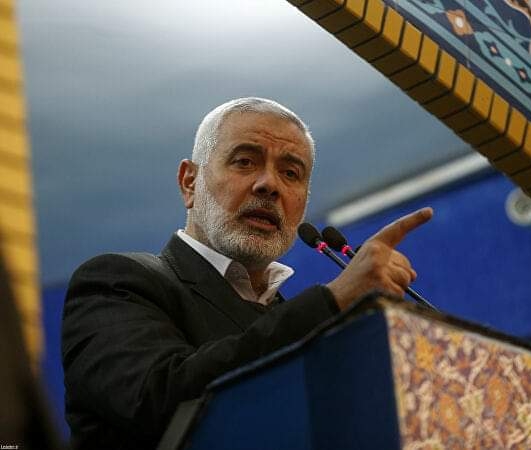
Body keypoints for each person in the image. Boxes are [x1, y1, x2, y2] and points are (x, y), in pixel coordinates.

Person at [62, 97, 433, 449]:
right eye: (244, 162)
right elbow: (161, 402)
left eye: (290, 173)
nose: (269, 185)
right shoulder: (117, 282)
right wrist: (332, 301)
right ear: (190, 183)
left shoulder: (292, 318)